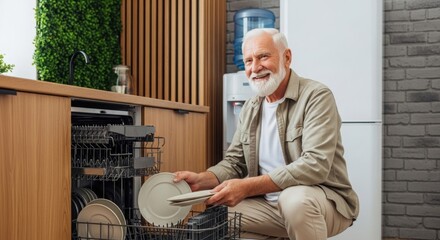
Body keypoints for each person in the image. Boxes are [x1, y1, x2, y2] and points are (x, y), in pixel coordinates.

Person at [173, 28, 359, 240]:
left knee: (293, 200)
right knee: (216, 217)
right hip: (268, 206)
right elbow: (235, 162)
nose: (255, 68)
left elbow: (315, 165)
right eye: (248, 61)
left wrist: (247, 187)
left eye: (263, 56)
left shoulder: (316, 96)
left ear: (286, 57)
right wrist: (203, 179)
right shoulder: (251, 107)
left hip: (324, 204)